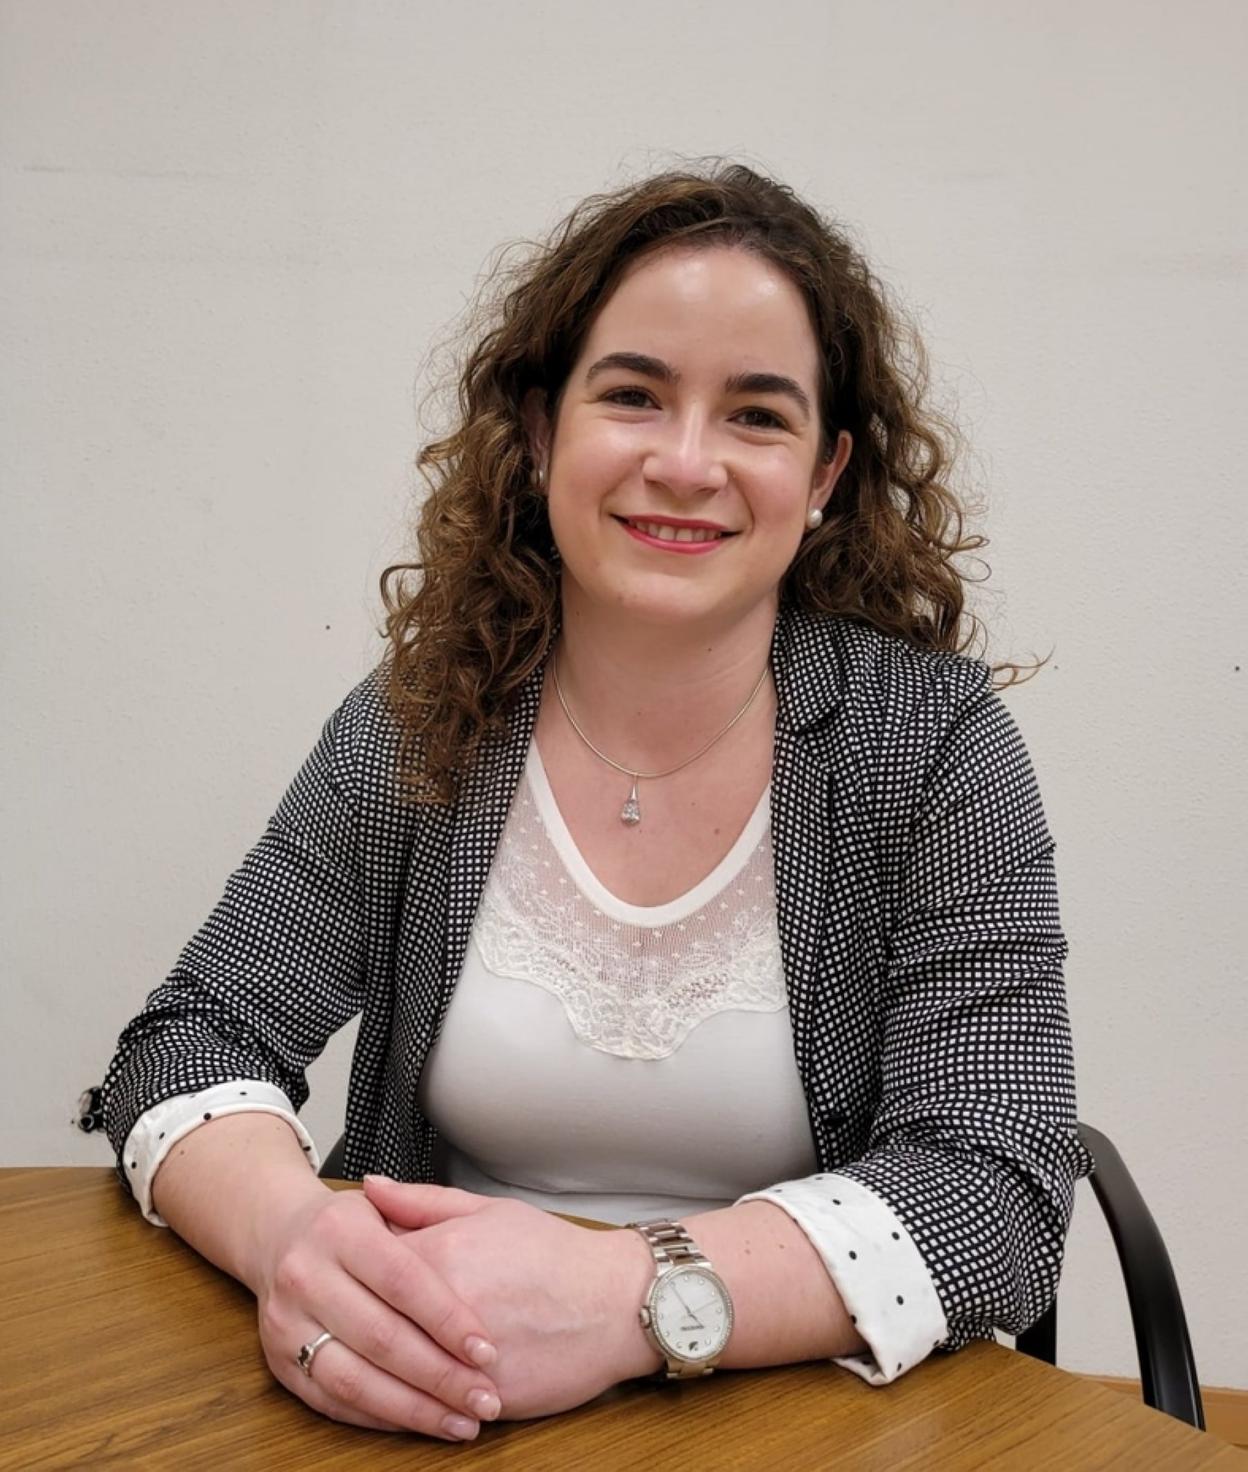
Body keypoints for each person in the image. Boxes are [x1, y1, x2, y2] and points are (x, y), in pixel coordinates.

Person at [83, 161, 1092, 1442]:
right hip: (440, 1399)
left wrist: (633, 1297)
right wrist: (291, 1233)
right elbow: (192, 1037)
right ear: (541, 428)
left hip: (797, 1420)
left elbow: (997, 1183)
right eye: (633, 395)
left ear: (826, 471)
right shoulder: (428, 715)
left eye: (757, 415)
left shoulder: (930, 743)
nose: (687, 462)